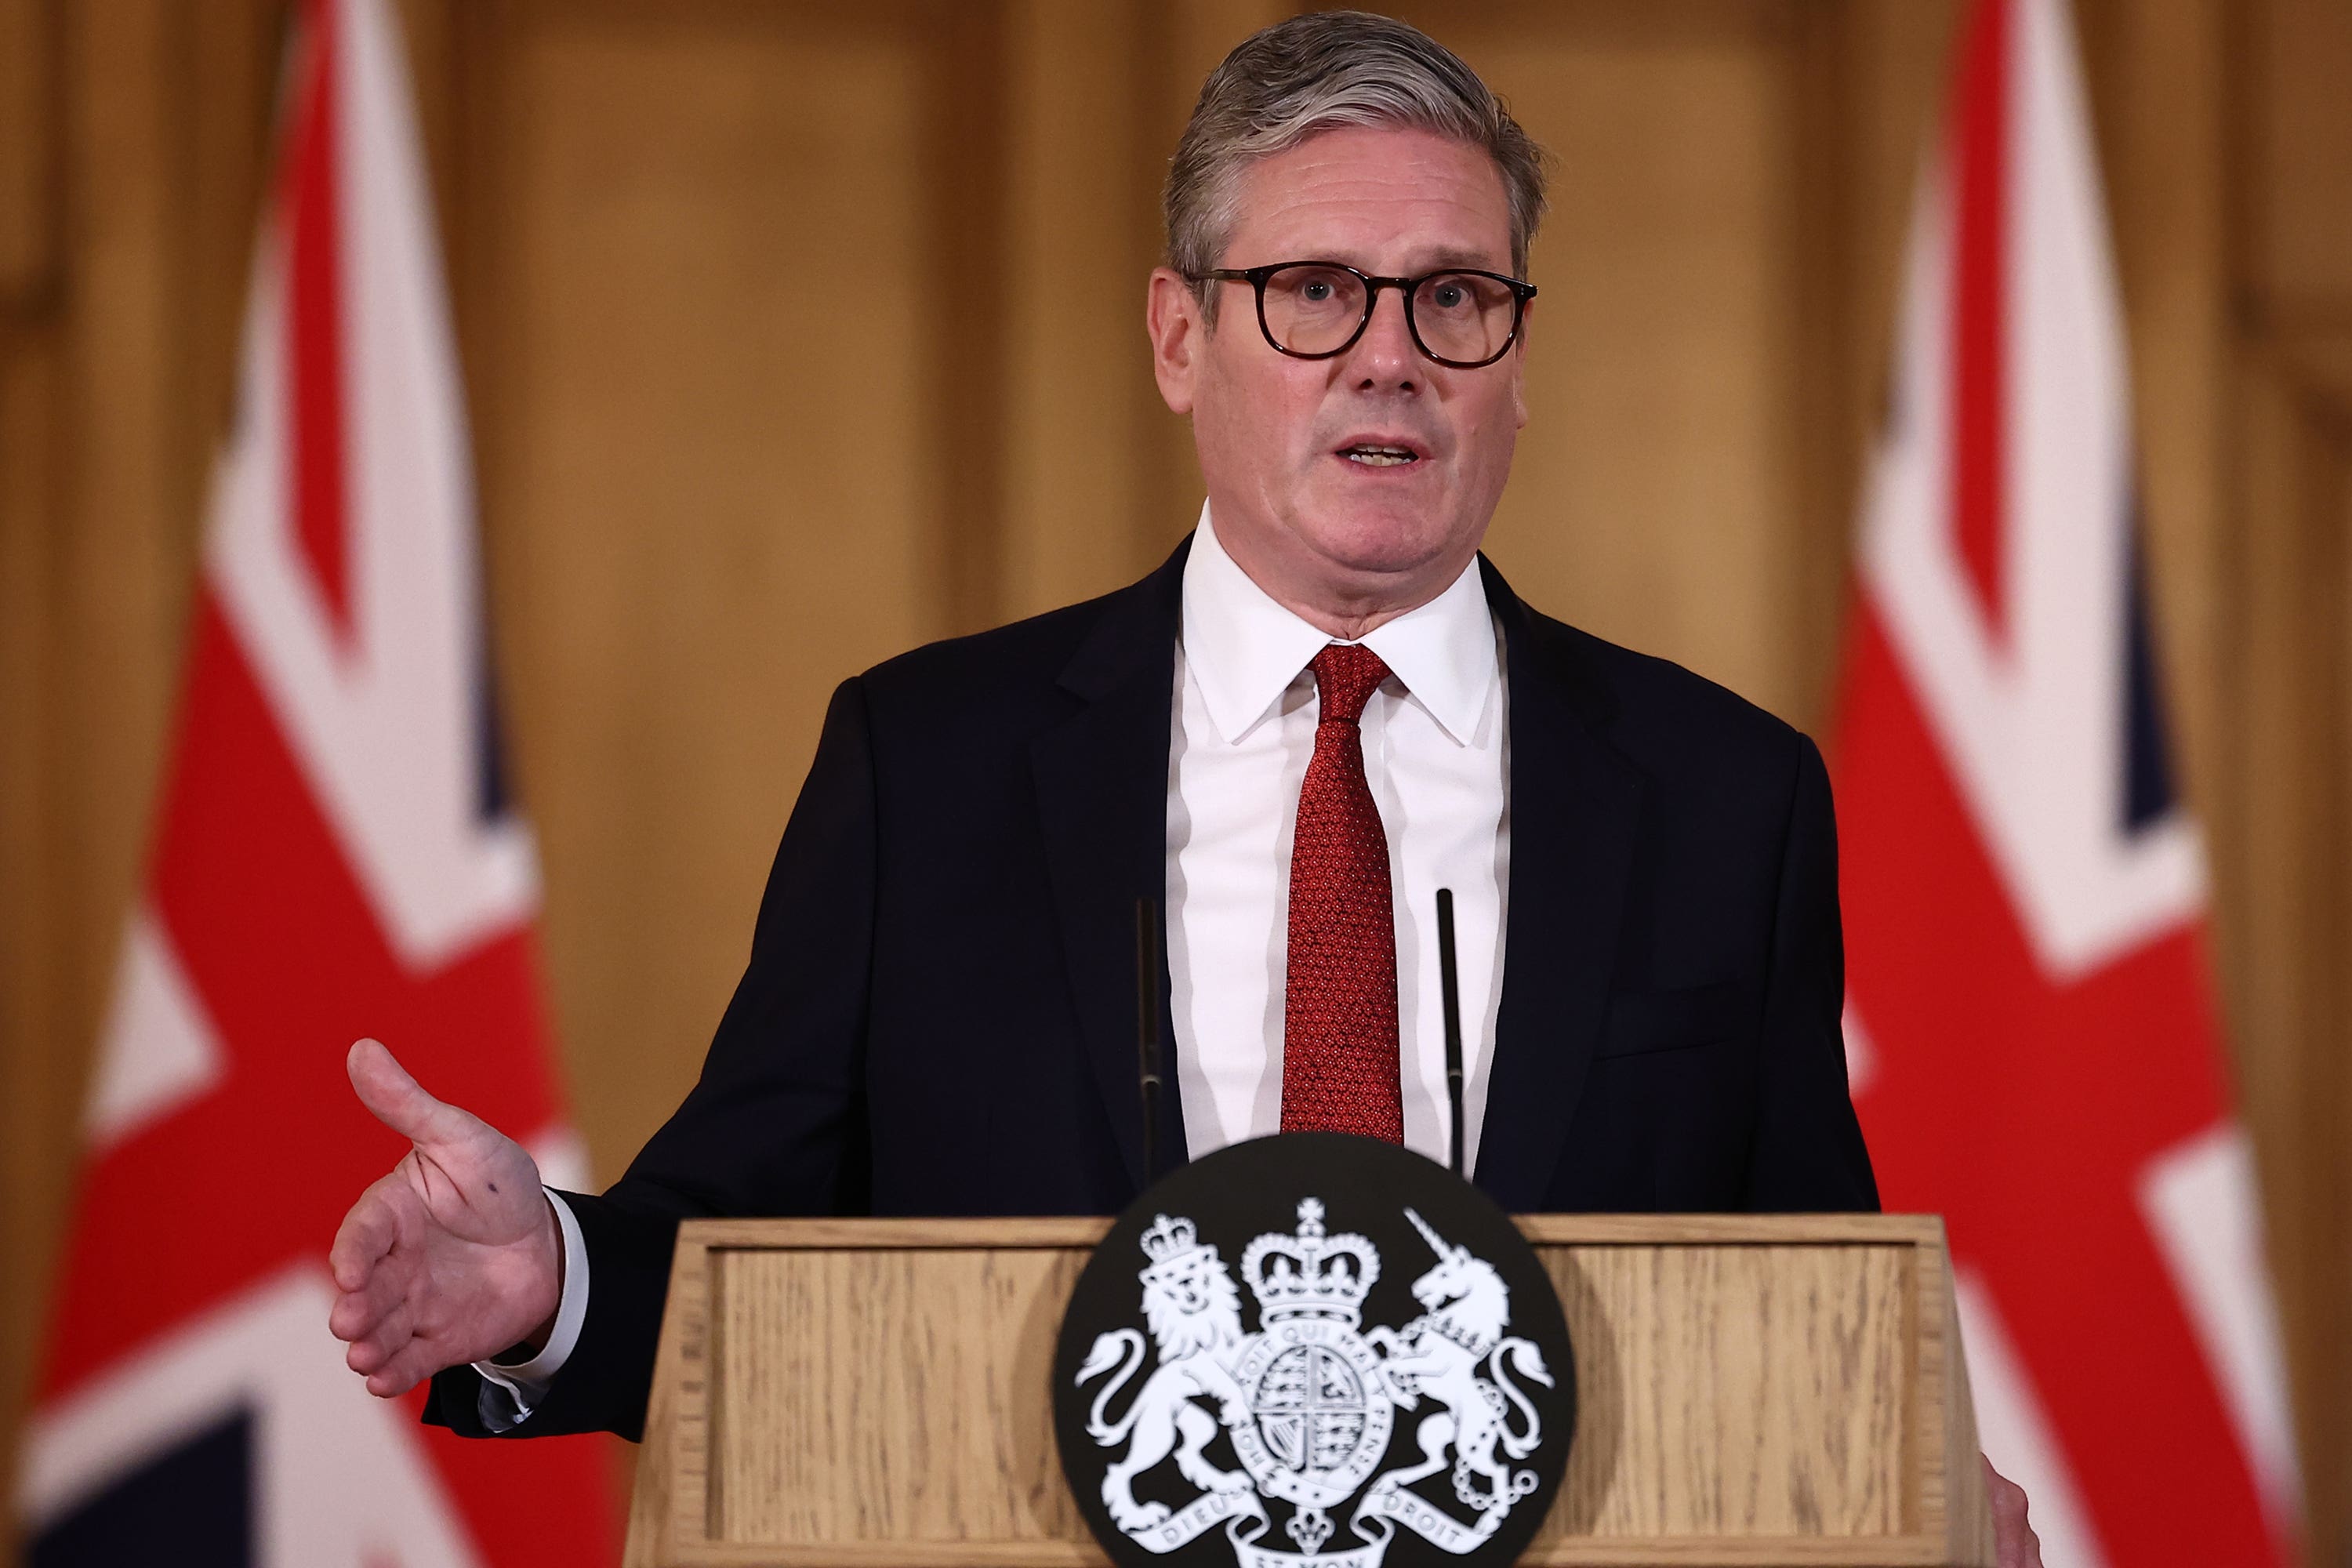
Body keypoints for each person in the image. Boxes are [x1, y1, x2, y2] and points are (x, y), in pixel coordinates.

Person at [327, 13, 2038, 1564]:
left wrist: (1907, 1479)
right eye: (1315, 291)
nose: (1392, 357)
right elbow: (746, 1263)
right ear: (1177, 334)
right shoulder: (931, 768)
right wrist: (548, 1280)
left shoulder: (1721, 795)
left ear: (1518, 360)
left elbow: (1810, 1310)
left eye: (1455, 296)